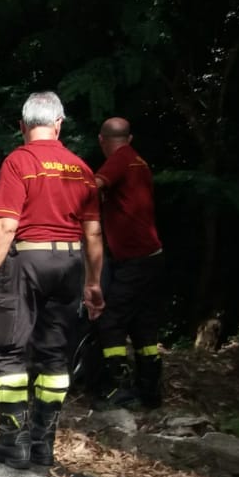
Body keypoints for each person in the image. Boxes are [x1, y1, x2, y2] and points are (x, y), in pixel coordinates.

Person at [0, 91, 104, 469]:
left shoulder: (19, 161)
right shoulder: (82, 169)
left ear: (22, 125)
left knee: (8, 350)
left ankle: (15, 442)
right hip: (70, 262)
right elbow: (93, 233)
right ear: (59, 124)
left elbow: (7, 224)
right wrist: (93, 283)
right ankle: (44, 445)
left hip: (27, 260)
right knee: (54, 354)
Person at [93, 116, 165, 409]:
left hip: (134, 260)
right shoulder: (138, 160)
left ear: (102, 140)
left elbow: (94, 185)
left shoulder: (121, 159)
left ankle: (118, 389)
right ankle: (150, 392)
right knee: (143, 328)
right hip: (152, 256)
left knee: (111, 323)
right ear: (130, 138)